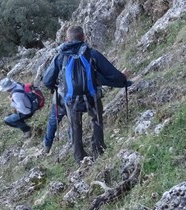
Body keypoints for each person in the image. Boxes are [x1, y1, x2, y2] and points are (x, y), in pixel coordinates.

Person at [41, 25, 131, 163]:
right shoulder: (92, 53)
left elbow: (47, 81)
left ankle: (80, 159)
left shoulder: (60, 57)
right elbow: (110, 72)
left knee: (75, 127)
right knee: (97, 122)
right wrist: (123, 78)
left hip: (71, 100)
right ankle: (98, 151)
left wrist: (55, 86)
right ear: (83, 37)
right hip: (92, 97)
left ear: (67, 39)